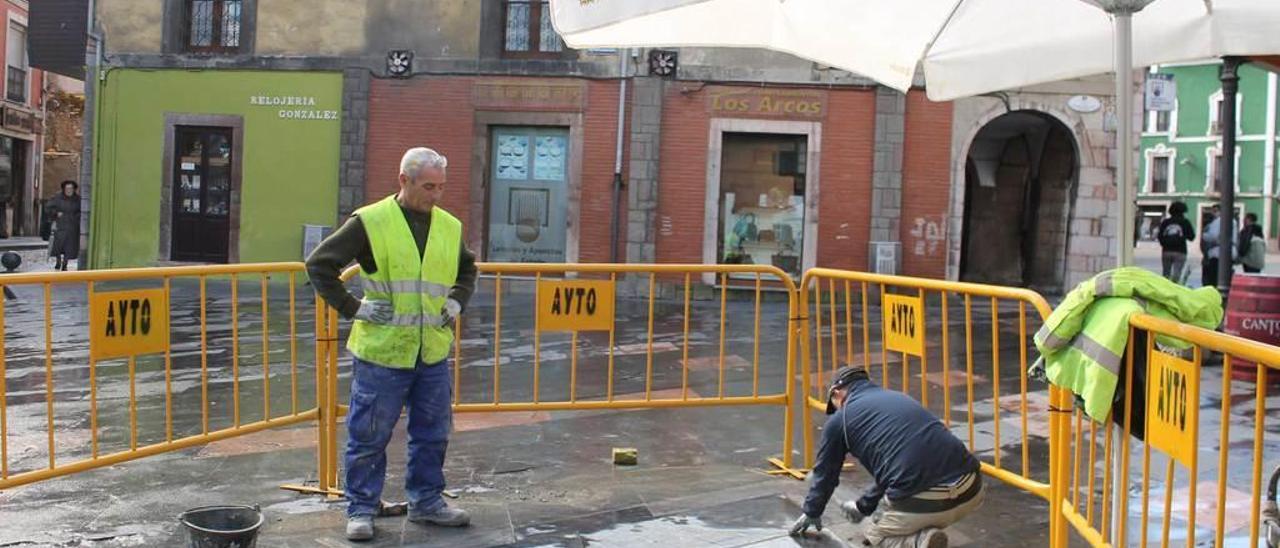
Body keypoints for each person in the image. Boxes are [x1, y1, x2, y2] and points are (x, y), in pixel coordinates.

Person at [306, 147, 478, 541]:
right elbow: (320, 264)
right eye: (428, 186)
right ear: (404, 180)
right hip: (383, 351)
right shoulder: (371, 221)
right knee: (369, 434)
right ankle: (362, 509)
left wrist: (457, 300)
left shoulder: (448, 226)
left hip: (430, 349)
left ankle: (427, 502)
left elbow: (467, 268)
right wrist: (352, 307)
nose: (435, 195)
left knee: (433, 432)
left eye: (441, 187)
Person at [790, 367, 983, 548]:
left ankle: (918, 541)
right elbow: (896, 468)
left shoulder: (840, 420)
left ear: (837, 393)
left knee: (875, 539)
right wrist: (862, 506)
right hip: (972, 488)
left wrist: (812, 512)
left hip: (927, 500)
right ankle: (921, 525)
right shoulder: (899, 399)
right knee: (902, 488)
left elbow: (826, 473)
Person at [45, 181, 80, 271]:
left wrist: (76, 217)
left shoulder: (77, 199)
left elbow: (80, 211)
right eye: (67, 188)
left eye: (71, 188)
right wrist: (56, 213)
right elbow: (48, 208)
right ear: (64, 189)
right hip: (60, 225)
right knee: (58, 245)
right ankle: (58, 261)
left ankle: (65, 263)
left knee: (69, 246)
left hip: (72, 226)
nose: (69, 190)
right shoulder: (57, 198)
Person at [1156, 201, 1195, 282]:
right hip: (1180, 251)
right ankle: (1175, 289)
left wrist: (1164, 243)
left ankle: (1165, 290)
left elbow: (1159, 236)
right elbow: (1191, 237)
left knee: (1166, 274)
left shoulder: (1166, 222)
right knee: (1177, 274)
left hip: (1167, 251)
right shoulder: (1185, 222)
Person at [1201, 205, 1236, 289]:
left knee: (1213, 278)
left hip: (1217, 254)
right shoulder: (1233, 221)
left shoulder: (1218, 221)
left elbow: (1213, 236)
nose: (1214, 213)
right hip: (1229, 253)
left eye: (1215, 211)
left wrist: (1204, 235)